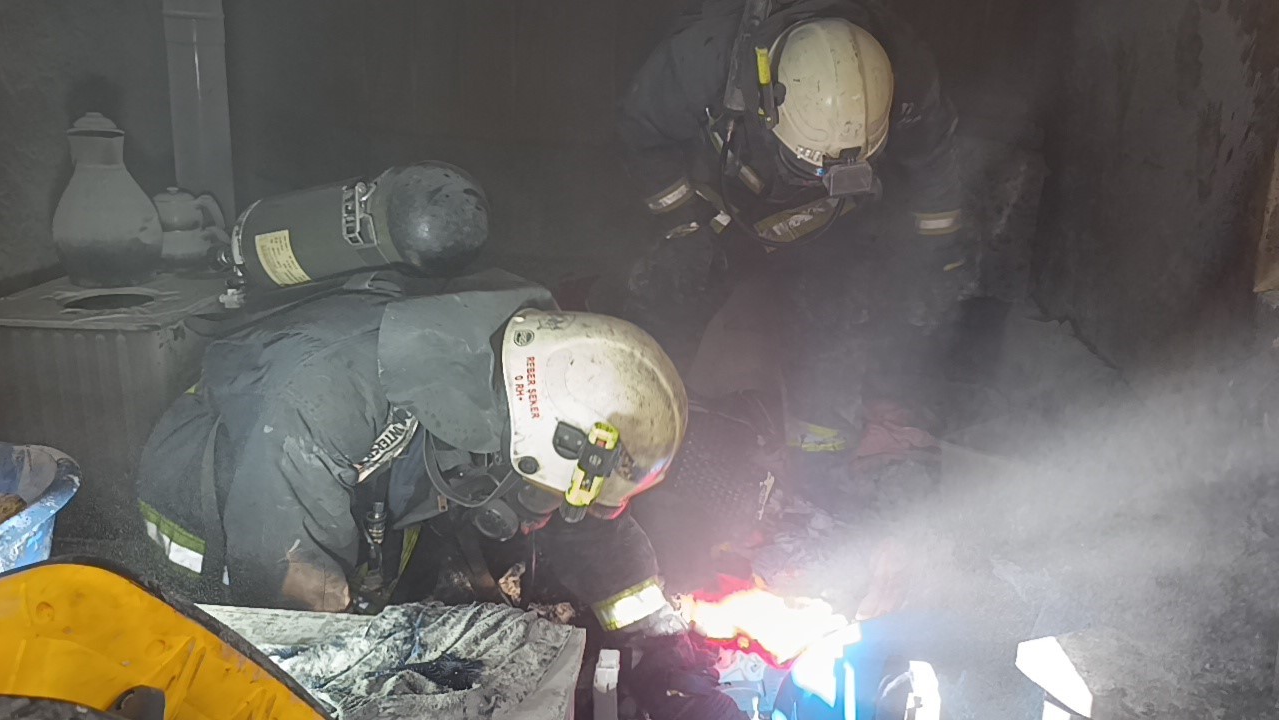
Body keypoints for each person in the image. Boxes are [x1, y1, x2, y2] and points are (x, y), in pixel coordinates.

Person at [136, 268, 746, 718]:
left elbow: (582, 523)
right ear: (534, 441)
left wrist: (665, 651)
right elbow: (295, 637)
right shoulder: (320, 406)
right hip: (217, 520)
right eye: (544, 496)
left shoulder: (526, 371)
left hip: (345, 497)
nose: (546, 513)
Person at [616, 0, 973, 482]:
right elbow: (641, 132)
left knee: (842, 307)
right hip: (718, 197)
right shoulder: (701, 61)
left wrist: (936, 257)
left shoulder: (903, 76)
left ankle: (820, 454)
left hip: (831, 221)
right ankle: (647, 437)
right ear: (767, 103)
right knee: (668, 292)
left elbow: (934, 162)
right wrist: (682, 224)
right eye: (810, 165)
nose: (820, 175)